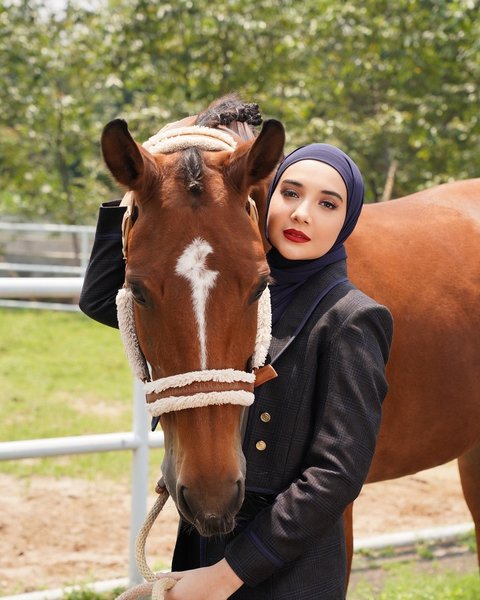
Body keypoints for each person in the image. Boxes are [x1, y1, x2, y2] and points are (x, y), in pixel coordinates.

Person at [80, 141, 393, 599]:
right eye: (290, 193)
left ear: (347, 219)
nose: (303, 213)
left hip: (284, 572)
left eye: (328, 203)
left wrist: (225, 577)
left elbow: (337, 476)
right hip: (203, 550)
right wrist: (137, 197)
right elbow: (104, 298)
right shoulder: (234, 293)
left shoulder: (351, 318)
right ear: (264, 199)